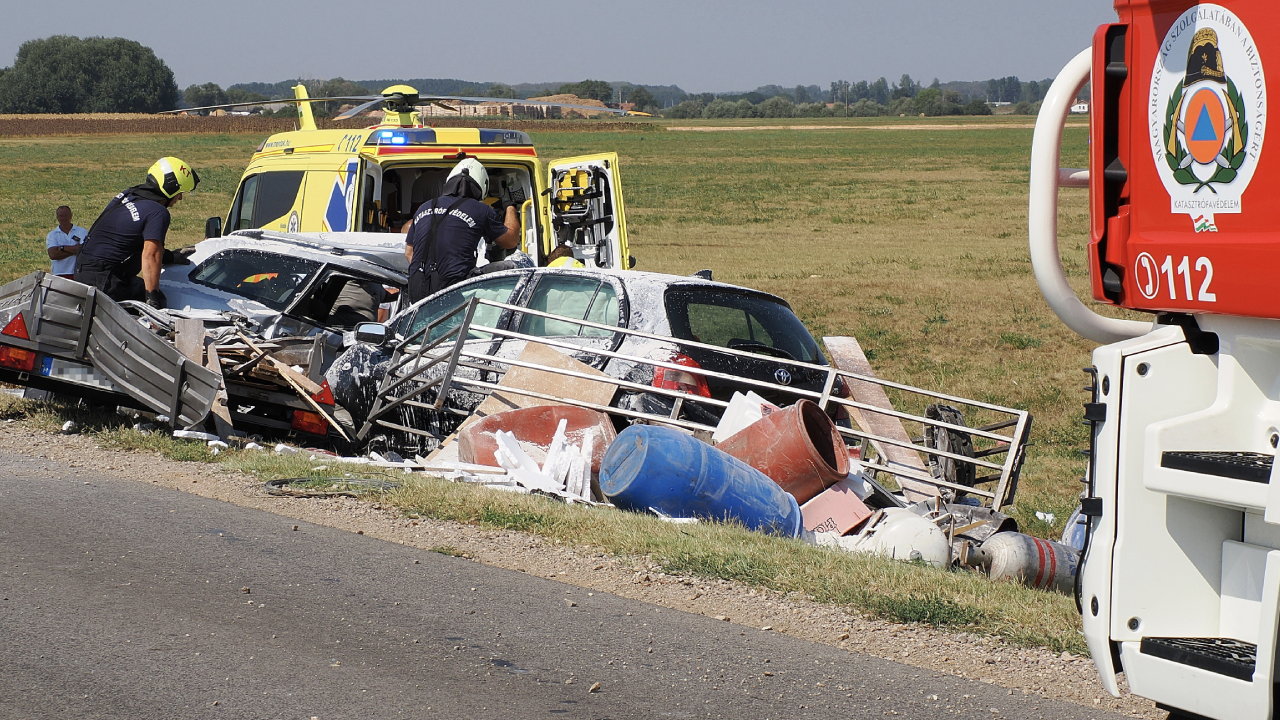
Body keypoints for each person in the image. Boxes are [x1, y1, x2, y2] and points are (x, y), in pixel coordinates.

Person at [74, 157, 199, 308]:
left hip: (83, 269)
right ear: (170, 187)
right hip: (104, 279)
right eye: (180, 192)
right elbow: (150, 255)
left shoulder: (130, 194)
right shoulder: (157, 212)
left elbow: (133, 242)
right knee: (160, 306)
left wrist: (171, 257)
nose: (180, 197)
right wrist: (153, 300)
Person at [403, 158, 518, 303]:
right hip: (454, 288)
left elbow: (409, 252)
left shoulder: (425, 206)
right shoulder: (481, 209)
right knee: (512, 267)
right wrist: (510, 206)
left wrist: (431, 276)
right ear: (482, 186)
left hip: (416, 287)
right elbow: (511, 240)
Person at [46, 206, 87, 279]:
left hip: (77, 273)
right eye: (61, 216)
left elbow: (84, 250)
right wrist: (74, 250)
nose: (63, 218)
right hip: (59, 274)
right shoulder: (52, 235)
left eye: (66, 215)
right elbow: (53, 255)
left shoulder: (82, 231)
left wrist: (62, 248)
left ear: (71, 216)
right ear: (57, 217)